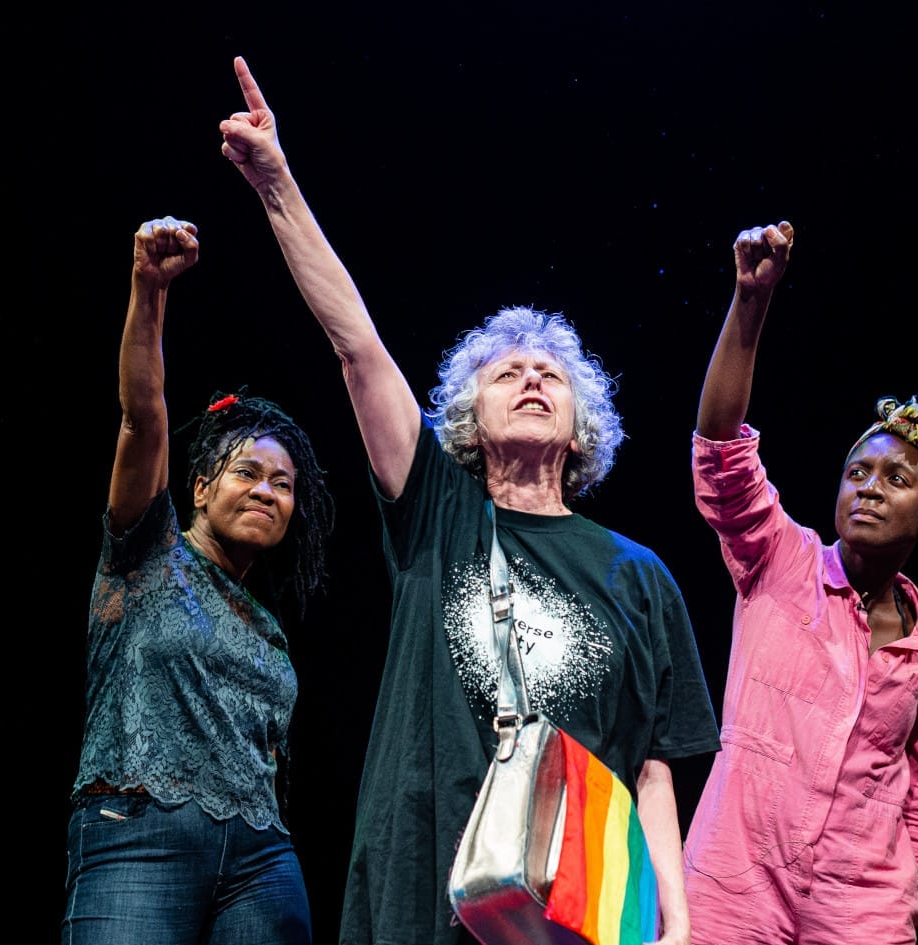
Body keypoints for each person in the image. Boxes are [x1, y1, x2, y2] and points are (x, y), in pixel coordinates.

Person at [216, 56, 723, 945]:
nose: (531, 378)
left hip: (578, 915)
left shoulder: (642, 577)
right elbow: (356, 346)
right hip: (423, 891)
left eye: (551, 375)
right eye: (506, 372)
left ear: (579, 429)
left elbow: (650, 773)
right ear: (469, 420)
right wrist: (276, 182)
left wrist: (675, 924)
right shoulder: (437, 512)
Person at [681, 221, 918, 945]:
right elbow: (720, 451)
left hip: (861, 909)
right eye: (857, 473)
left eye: (896, 479)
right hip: (732, 890)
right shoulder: (778, 560)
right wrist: (751, 302)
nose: (869, 488)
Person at [62, 215, 336, 945]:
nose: (267, 490)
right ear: (203, 484)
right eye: (248, 471)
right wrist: (149, 289)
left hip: (261, 855)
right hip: (139, 831)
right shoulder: (147, 551)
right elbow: (141, 418)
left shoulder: (267, 626)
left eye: (283, 484)